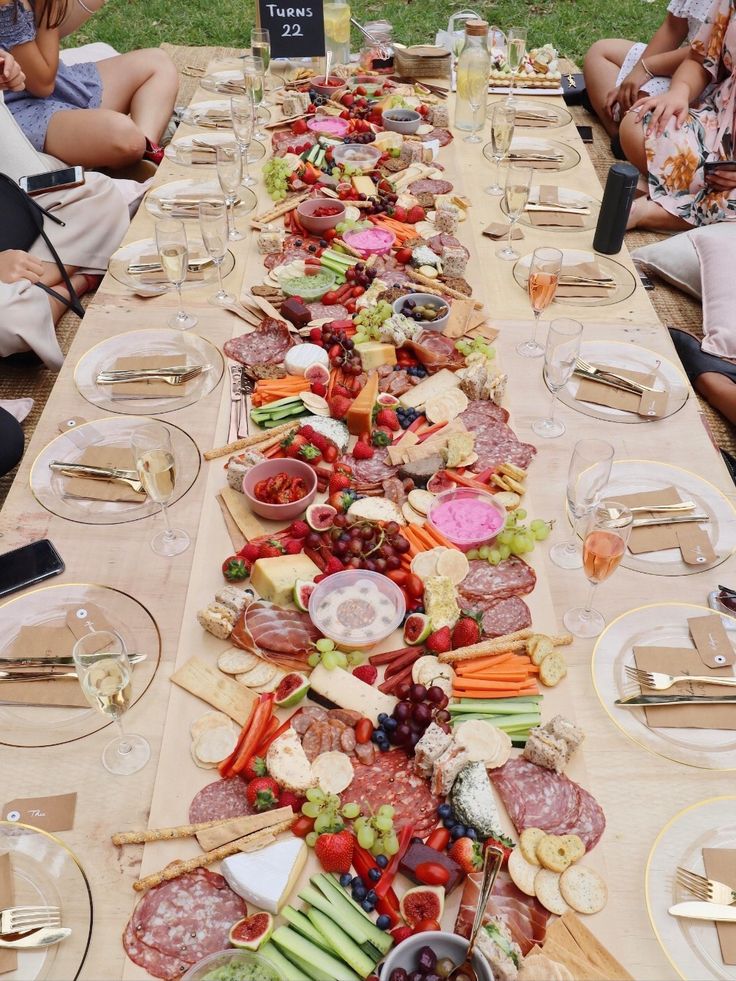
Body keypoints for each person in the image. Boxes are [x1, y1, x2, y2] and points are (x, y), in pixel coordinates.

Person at [0, 49, 130, 368]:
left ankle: (33, 298)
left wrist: (6, 70)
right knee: (6, 321)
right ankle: (76, 282)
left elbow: (18, 173)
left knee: (100, 194)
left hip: (8, 201)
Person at [0, 0, 179, 168]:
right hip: (16, 110)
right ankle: (129, 154)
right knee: (126, 137)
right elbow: (43, 85)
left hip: (58, 83)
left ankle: (144, 158)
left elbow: (45, 33)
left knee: (157, 63)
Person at [620, 0, 736, 231]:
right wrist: (678, 93)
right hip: (717, 126)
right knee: (643, 121)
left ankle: (654, 212)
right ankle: (689, 193)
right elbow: (700, 59)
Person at [583, 1, 713, 141]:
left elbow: (706, 53)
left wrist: (647, 67)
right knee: (600, 51)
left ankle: (621, 126)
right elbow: (673, 27)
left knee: (641, 102)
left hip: (708, 79)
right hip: (681, 66)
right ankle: (617, 133)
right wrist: (636, 72)